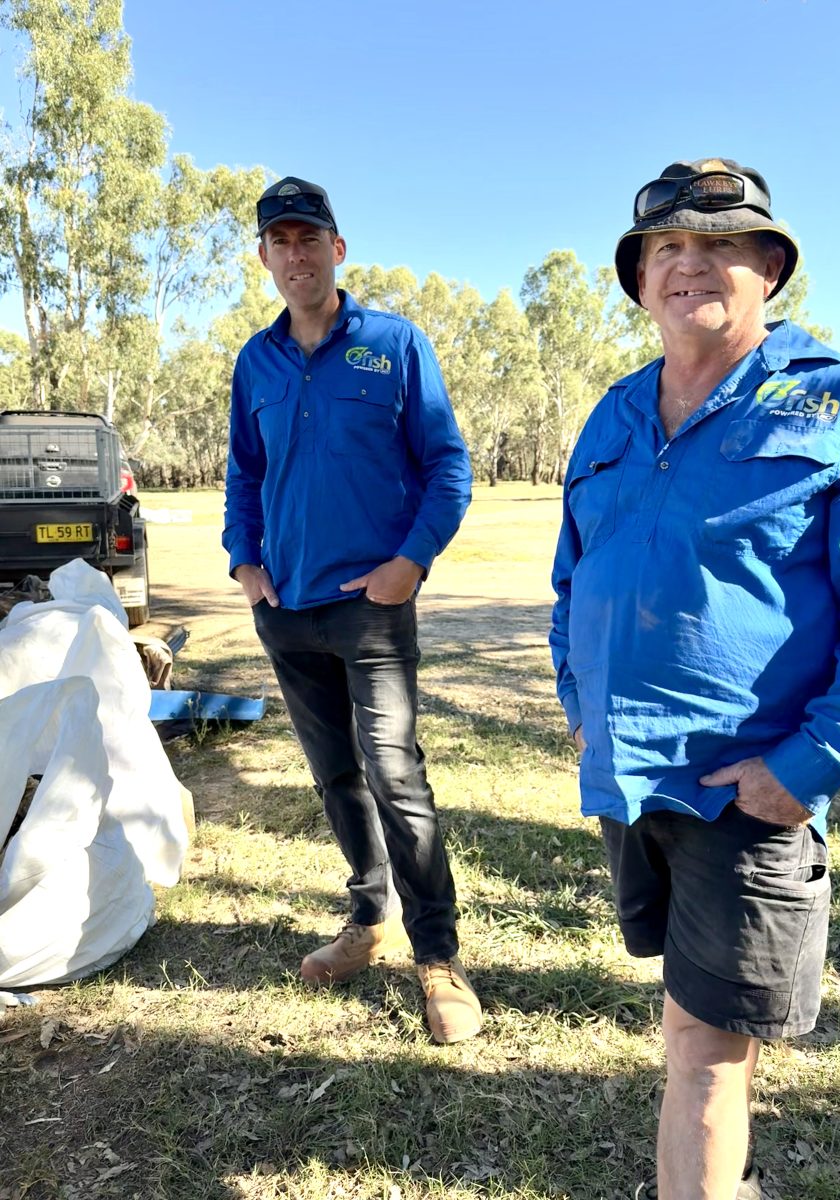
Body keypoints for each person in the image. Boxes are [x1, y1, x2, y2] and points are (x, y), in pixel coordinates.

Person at [549, 158, 840, 1199]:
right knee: (691, 1023)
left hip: (749, 796)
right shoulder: (613, 414)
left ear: (770, 270)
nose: (689, 264)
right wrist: (581, 706)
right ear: (642, 276)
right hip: (630, 784)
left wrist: (808, 767)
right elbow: (574, 576)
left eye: (721, 245)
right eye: (667, 247)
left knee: (706, 1053)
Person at [223, 176, 482, 1045]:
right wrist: (245, 563)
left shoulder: (394, 344)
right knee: (335, 777)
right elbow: (246, 473)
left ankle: (437, 957)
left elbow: (447, 463)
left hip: (369, 610)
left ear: (339, 250)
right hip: (286, 609)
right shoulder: (254, 362)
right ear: (264, 257)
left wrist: (411, 562)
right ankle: (367, 921)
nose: (295, 255)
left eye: (310, 239)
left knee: (395, 778)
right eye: (279, 242)